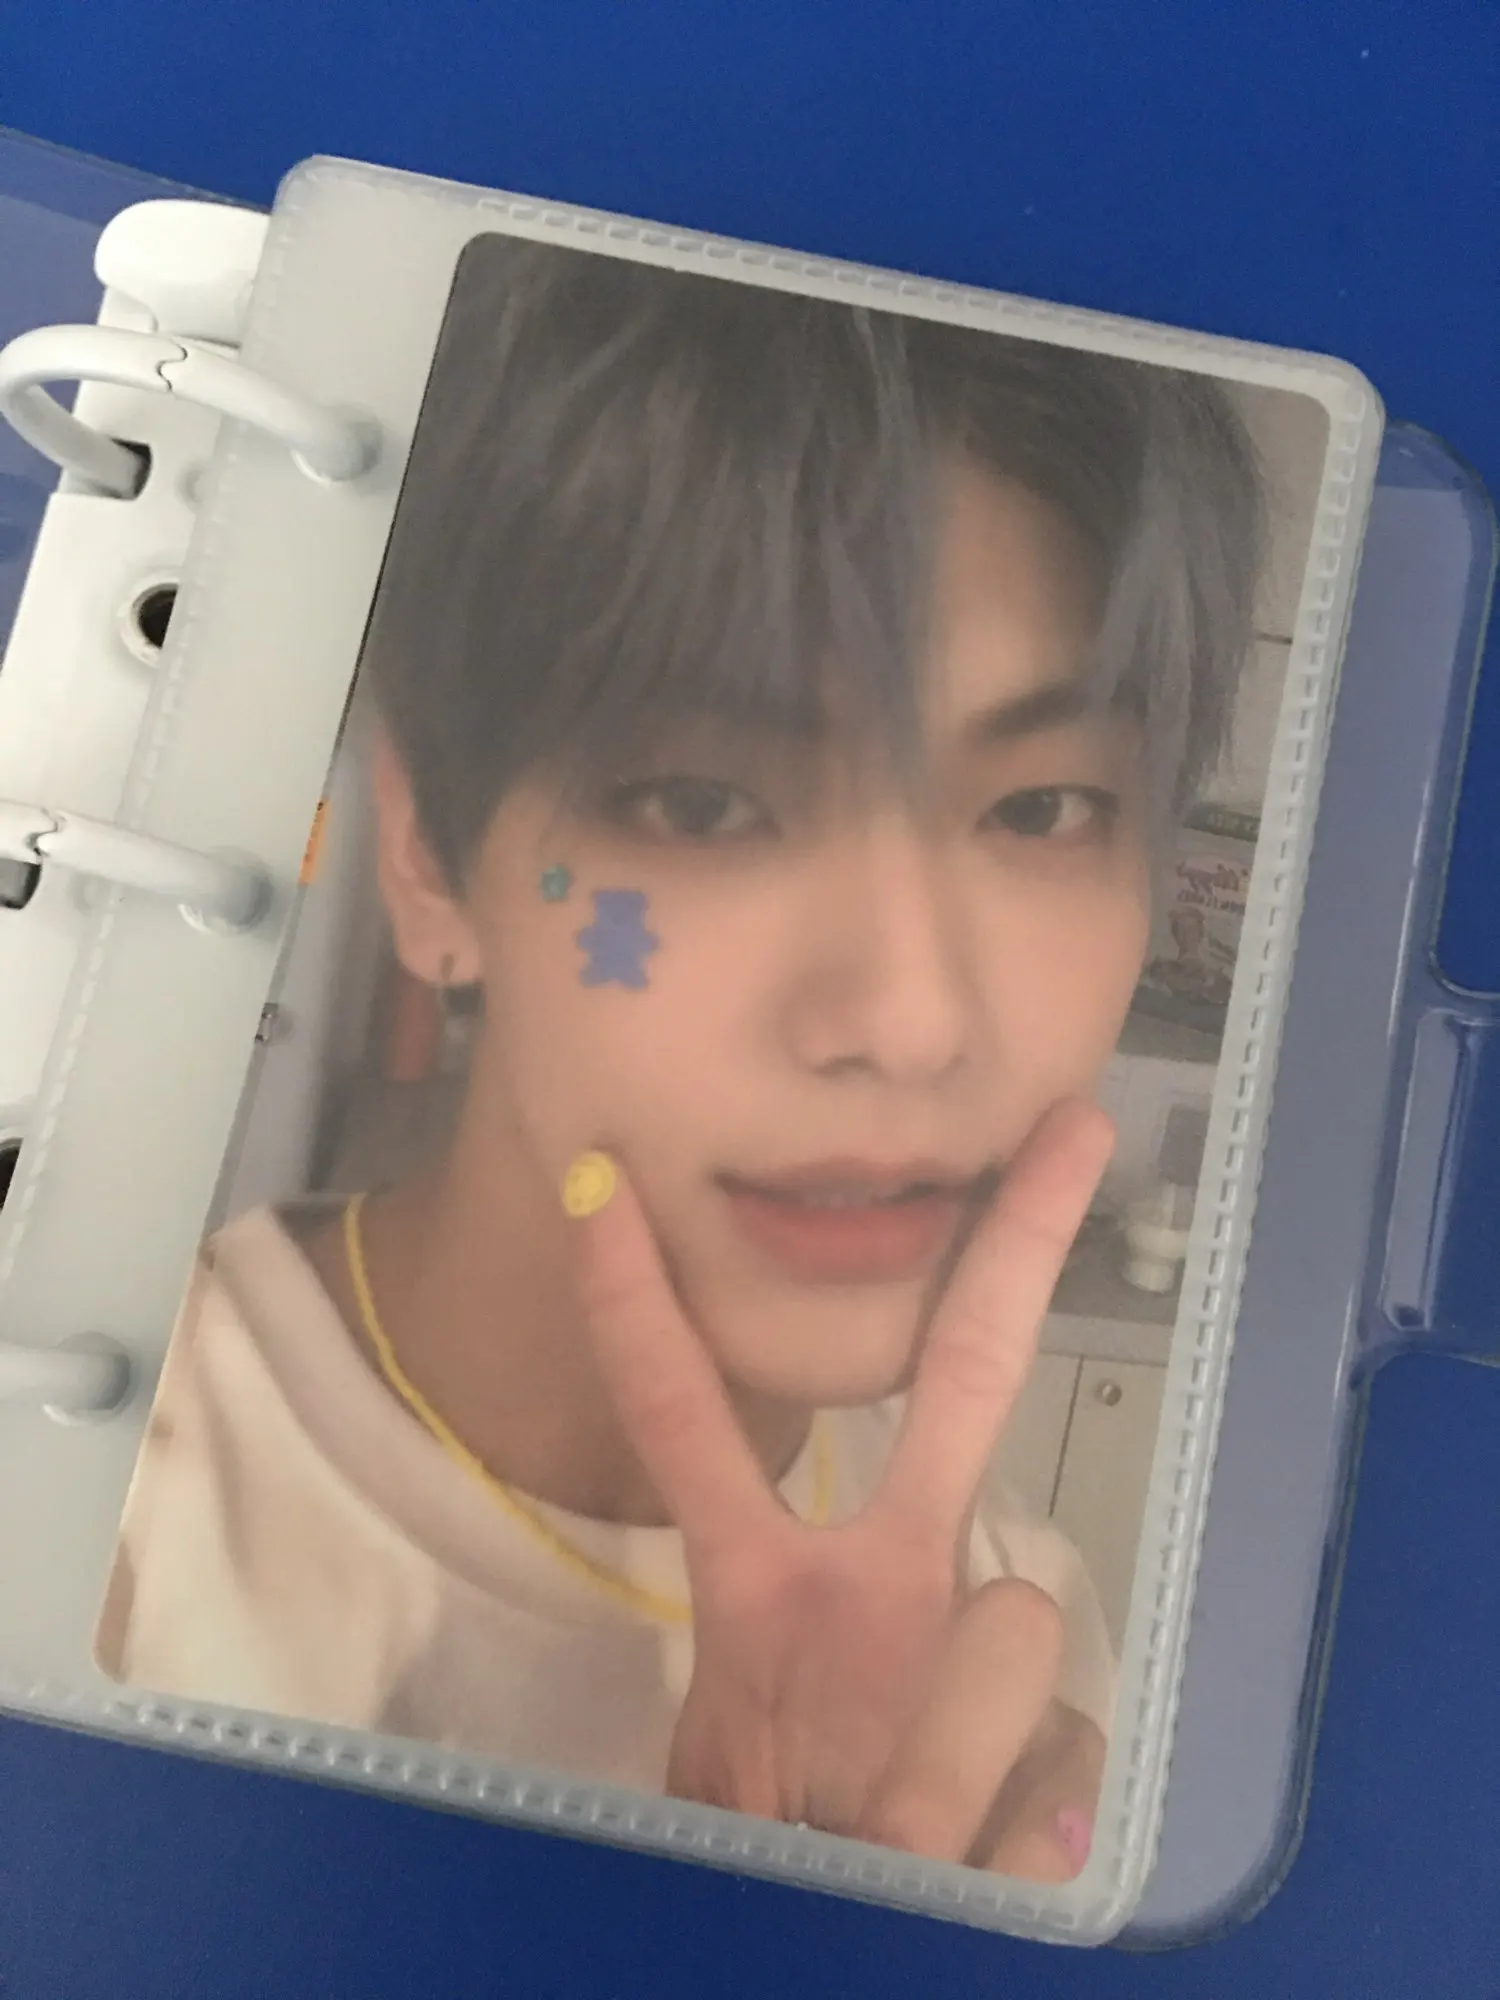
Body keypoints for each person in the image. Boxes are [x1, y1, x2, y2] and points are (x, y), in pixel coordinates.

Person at [95, 233, 1263, 1885]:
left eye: (1041, 808)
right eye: (704, 803)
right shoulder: (101, 1505)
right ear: (427, 857)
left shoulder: (1011, 1670)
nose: (910, 1020)